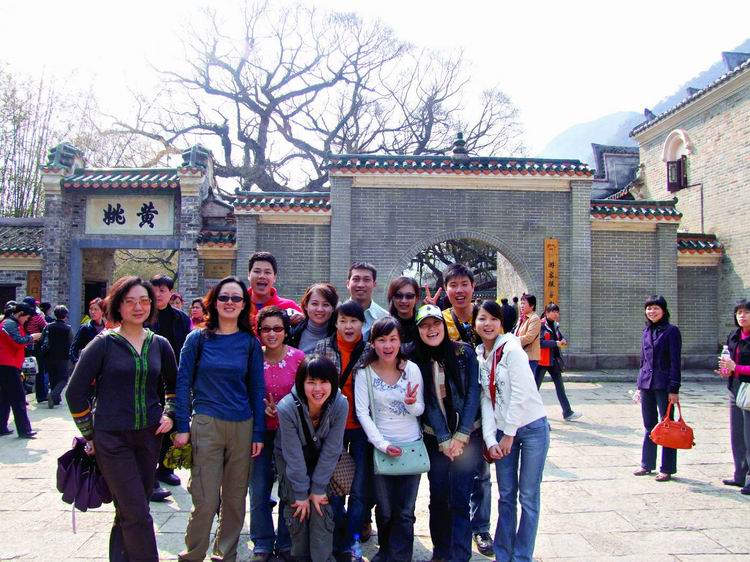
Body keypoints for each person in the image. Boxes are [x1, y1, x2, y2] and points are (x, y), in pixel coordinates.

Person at [66, 276, 177, 561]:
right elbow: (74, 392)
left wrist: (169, 413)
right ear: (118, 305)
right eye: (130, 301)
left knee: (129, 510)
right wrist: (89, 434)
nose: (138, 307)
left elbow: (175, 386)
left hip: (149, 438)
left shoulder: (159, 344)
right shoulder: (103, 344)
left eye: (144, 301)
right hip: (112, 439)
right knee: (137, 512)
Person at [173, 276, 266, 562]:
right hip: (206, 423)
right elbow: (182, 382)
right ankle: (193, 553)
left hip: (242, 425)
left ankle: (225, 554)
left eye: (236, 298)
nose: (229, 303)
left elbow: (256, 389)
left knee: (235, 499)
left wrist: (258, 432)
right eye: (224, 297)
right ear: (214, 302)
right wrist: (181, 425)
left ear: (244, 304)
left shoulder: (249, 342)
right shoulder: (197, 338)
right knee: (205, 497)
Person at [474, 300, 549, 562]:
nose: (488, 324)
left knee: (528, 497)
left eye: (494, 319)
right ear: (475, 323)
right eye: (482, 318)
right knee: (506, 496)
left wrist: (509, 434)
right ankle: (503, 555)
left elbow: (520, 393)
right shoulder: (480, 356)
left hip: (531, 429)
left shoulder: (512, 348)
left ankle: (521, 556)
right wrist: (489, 438)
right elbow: (486, 399)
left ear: (501, 323)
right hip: (503, 432)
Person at [407, 304, 482, 562]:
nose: (431, 330)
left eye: (435, 323)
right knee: (438, 497)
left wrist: (460, 435)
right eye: (425, 325)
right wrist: (444, 439)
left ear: (443, 325)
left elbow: (473, 394)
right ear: (418, 330)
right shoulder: (415, 360)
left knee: (460, 497)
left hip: (467, 439)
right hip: (434, 439)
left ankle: (460, 554)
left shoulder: (464, 353)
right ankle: (441, 552)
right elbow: (427, 402)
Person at [355, 317, 425, 562]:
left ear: (400, 341)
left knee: (405, 511)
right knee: (384, 510)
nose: (388, 345)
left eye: (393, 339)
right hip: (381, 447)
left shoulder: (411, 369)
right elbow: (362, 412)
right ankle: (386, 552)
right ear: (373, 343)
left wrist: (411, 404)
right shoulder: (364, 372)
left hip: (411, 446)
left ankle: (401, 556)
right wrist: (382, 444)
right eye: (382, 340)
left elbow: (420, 409)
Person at [435, 264, 493, 556]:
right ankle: (455, 533)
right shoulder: (441, 320)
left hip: (485, 408)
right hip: (454, 410)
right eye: (453, 285)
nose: (459, 290)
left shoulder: (485, 317)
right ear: (445, 289)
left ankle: (481, 528)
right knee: (454, 478)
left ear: (473, 286)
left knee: (482, 473)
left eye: (464, 284)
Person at [313, 301, 372, 557]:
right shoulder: (323, 348)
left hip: (361, 429)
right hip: (332, 428)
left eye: (354, 321)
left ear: (362, 324)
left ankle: (352, 540)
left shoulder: (370, 351)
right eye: (343, 321)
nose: (348, 326)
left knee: (358, 489)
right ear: (335, 323)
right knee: (334, 488)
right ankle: (338, 538)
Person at [275, 355, 348, 561]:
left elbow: (332, 449)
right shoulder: (287, 407)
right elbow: (293, 455)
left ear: (332, 382)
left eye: (324, 382)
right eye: (311, 382)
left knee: (320, 505)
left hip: (323, 460)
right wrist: (301, 492)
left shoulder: (340, 404)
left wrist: (317, 489)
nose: (318, 389)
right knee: (297, 505)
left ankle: (323, 557)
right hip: (290, 459)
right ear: (301, 383)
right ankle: (297, 555)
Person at [250, 306, 305, 561]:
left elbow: (309, 395)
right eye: (266, 329)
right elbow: (244, 391)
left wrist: (284, 409)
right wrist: (260, 408)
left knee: (288, 488)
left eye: (277, 329)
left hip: (290, 434)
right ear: (259, 332)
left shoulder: (299, 359)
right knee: (259, 488)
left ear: (286, 331)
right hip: (259, 433)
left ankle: (286, 540)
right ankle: (262, 541)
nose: (272, 334)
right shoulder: (252, 359)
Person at [150, 274, 192, 497]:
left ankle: (166, 468)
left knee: (173, 422)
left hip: (174, 379)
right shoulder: (144, 316)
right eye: (154, 289)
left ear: (170, 293)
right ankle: (149, 474)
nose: (158, 294)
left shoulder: (181, 319)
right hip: (148, 379)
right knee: (151, 424)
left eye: (163, 290)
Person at [634, 295, 681, 482]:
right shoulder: (646, 331)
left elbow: (676, 361)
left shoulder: (671, 331)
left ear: (663, 310)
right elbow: (642, 360)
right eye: (649, 308)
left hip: (664, 385)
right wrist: (639, 386)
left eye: (656, 308)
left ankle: (667, 468)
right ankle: (647, 464)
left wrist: (674, 388)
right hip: (647, 384)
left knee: (667, 425)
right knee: (649, 425)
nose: (652, 311)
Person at [718, 298, 750, 493]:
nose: (742, 316)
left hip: (749, 388)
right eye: (739, 312)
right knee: (737, 434)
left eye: (746, 312)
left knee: (749, 435)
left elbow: (737, 366)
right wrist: (725, 370)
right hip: (735, 387)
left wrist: (736, 368)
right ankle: (740, 475)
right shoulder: (734, 336)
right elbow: (728, 361)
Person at [0, 302, 41, 438]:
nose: (27, 320)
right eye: (27, 318)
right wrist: (32, 338)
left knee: (5, 398)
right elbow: (17, 341)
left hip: (8, 365)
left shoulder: (10, 323)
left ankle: (1, 427)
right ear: (20, 314)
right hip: (7, 365)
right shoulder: (10, 324)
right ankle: (24, 430)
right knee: (18, 398)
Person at [535, 303, 581, 422]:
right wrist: (555, 343)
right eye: (553, 311)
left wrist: (562, 339)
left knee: (560, 387)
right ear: (546, 313)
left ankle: (567, 412)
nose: (556, 314)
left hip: (554, 360)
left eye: (557, 312)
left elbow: (559, 337)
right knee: (534, 388)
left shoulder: (555, 325)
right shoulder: (541, 325)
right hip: (542, 361)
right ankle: (529, 414)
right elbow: (540, 342)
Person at [247, 251, 303, 333]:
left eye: (267, 272)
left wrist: (303, 320)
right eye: (257, 271)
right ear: (249, 275)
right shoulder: (237, 305)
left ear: (274, 277)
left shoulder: (288, 307)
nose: (262, 276)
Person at [288, 283, 339, 354]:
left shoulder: (339, 335)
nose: (320, 309)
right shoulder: (292, 332)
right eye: (314, 304)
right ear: (306, 305)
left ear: (333, 308)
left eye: (325, 305)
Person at [40, 305, 73, 409]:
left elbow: (42, 339)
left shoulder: (48, 326)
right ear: (65, 315)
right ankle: (53, 395)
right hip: (63, 356)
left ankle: (56, 400)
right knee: (64, 378)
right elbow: (72, 343)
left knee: (53, 377)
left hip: (49, 356)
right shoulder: (68, 328)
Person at [346, 262, 388, 339]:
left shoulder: (384, 317)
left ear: (374, 284)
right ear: (348, 284)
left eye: (366, 280)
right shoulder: (336, 315)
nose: (361, 285)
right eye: (356, 279)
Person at [22, 296, 48, 404]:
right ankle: (41, 396)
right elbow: (46, 328)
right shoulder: (37, 318)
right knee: (39, 371)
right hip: (36, 347)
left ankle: (22, 396)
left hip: (23, 347)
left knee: (22, 372)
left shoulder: (20, 318)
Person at [70, 297, 107, 363]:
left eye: (96, 309)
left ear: (102, 311)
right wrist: (76, 362)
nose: (92, 312)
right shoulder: (85, 327)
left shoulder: (106, 328)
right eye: (91, 309)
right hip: (89, 363)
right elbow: (74, 347)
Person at [386, 276, 420, 344]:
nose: (404, 300)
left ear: (416, 298)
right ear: (392, 297)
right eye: (398, 295)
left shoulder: (423, 324)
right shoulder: (384, 326)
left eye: (409, 296)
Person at [513, 294, 541, 373]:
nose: (521, 306)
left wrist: (513, 340)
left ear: (532, 306)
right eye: (521, 303)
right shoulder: (522, 318)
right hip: (520, 355)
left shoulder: (534, 318)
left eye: (524, 303)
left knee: (527, 380)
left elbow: (529, 338)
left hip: (530, 357)